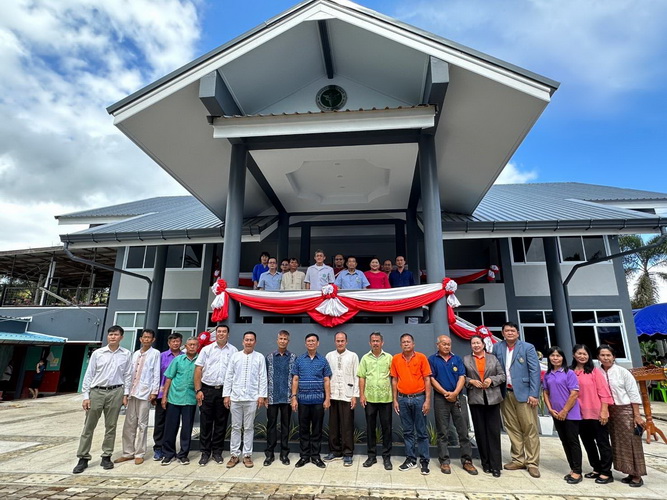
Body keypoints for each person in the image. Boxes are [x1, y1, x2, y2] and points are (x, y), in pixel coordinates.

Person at [73, 325, 133, 474]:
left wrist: (125, 394)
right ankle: (83, 457)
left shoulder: (126, 354)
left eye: (116, 335)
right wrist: (86, 396)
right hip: (97, 392)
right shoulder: (98, 353)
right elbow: (89, 374)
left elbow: (128, 375)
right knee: (88, 426)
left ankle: (107, 455)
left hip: (116, 391)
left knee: (111, 426)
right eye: (111, 334)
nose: (113, 337)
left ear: (121, 337)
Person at [492, 322, 541, 478]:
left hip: (525, 393)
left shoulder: (527, 348)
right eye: (507, 330)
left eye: (513, 330)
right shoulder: (497, 347)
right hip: (505, 393)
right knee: (512, 427)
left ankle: (532, 463)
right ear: (502, 333)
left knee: (529, 427)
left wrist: (534, 394)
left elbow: (535, 371)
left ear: (518, 333)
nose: (510, 333)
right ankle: (518, 459)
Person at [597, 344, 646, 488]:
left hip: (625, 410)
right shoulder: (597, 372)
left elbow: (633, 393)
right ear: (598, 357)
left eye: (608, 355)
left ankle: (637, 474)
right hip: (608, 410)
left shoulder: (623, 372)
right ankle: (628, 471)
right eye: (602, 355)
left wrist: (636, 414)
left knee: (631, 441)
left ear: (614, 357)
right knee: (617, 442)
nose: (606, 358)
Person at [428, 335, 477, 475]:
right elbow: (432, 379)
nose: (447, 346)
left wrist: (455, 393)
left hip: (458, 398)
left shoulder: (457, 359)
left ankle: (467, 461)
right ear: (438, 345)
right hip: (441, 399)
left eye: (449, 344)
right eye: (444, 344)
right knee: (442, 432)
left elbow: (462, 377)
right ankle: (444, 461)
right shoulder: (432, 359)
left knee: (463, 431)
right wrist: (445, 393)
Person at [115, 329, 160, 465]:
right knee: (129, 424)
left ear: (153, 340)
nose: (146, 339)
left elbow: (156, 373)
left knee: (142, 424)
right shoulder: (134, 354)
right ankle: (128, 452)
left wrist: (154, 391)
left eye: (149, 338)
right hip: (132, 393)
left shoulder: (155, 354)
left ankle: (139, 453)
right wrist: (126, 392)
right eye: (144, 337)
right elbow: (128, 374)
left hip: (145, 393)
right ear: (140, 339)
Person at [194, 324, 238, 466]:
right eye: (219, 331)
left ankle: (217, 452)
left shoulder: (233, 351)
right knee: (206, 422)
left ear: (228, 334)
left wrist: (229, 394)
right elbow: (198, 369)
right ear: (215, 334)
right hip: (207, 390)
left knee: (221, 422)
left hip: (224, 391)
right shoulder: (206, 350)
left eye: (224, 332)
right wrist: (198, 390)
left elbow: (234, 373)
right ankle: (205, 453)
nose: (221, 334)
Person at [463, 335, 505, 477]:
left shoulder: (492, 358)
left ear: (483, 344)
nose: (476, 345)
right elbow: (462, 378)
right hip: (476, 398)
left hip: (492, 398)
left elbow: (502, 375)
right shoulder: (466, 359)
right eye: (473, 343)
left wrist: (491, 380)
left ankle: (496, 465)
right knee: (480, 432)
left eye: (478, 343)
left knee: (493, 432)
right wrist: (471, 382)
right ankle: (485, 463)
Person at [223, 331, 267, 468]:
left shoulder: (259, 357)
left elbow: (263, 377)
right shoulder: (235, 357)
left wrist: (261, 395)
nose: (248, 342)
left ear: (255, 342)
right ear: (243, 342)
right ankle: (234, 455)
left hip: (252, 398)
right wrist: (226, 395)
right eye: (246, 340)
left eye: (251, 340)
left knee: (248, 427)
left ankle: (247, 455)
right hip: (235, 398)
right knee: (236, 427)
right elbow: (229, 376)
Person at [571, 344, 613, 484]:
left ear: (589, 356)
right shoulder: (570, 372)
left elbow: (604, 392)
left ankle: (606, 472)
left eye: (585, 354)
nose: (582, 356)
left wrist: (604, 411)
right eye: (579, 353)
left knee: (602, 443)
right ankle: (596, 468)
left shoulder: (594, 372)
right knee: (588, 443)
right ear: (573, 355)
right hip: (579, 414)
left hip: (596, 413)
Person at [391, 333, 431, 475]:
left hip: (419, 398)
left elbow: (427, 379)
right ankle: (410, 459)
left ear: (413, 344)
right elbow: (394, 380)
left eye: (408, 342)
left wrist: (427, 400)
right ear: (401, 345)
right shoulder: (396, 359)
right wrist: (395, 400)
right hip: (402, 399)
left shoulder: (421, 358)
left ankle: (424, 460)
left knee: (421, 432)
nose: (406, 344)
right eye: (403, 342)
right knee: (407, 431)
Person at [542, 346, 583, 484]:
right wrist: (550, 409)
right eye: (552, 356)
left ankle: (577, 471)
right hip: (556, 414)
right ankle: (572, 468)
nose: (555, 358)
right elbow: (546, 393)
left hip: (570, 414)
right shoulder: (547, 375)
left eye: (558, 356)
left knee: (573, 442)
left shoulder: (569, 373)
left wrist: (565, 411)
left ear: (563, 358)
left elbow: (574, 394)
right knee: (564, 441)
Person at [290, 333, 332, 468]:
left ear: (318, 343)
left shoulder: (323, 360)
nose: (311, 343)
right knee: (303, 429)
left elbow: (326, 380)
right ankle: (304, 456)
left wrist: (327, 398)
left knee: (317, 430)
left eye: (313, 341)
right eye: (308, 341)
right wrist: (294, 397)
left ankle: (315, 456)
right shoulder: (299, 360)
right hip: (302, 401)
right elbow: (295, 379)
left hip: (318, 401)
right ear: (305, 343)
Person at [161, 337, 199, 465]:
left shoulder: (201, 361)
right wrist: (164, 396)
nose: (192, 347)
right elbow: (169, 378)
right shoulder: (177, 360)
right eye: (190, 345)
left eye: (194, 345)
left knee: (187, 429)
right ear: (186, 346)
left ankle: (183, 454)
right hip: (174, 398)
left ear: (197, 346)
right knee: (170, 427)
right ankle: (168, 454)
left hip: (190, 399)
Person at [358, 332, 393, 470]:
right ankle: (371, 456)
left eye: (378, 340)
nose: (375, 343)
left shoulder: (389, 358)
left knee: (387, 428)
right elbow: (361, 377)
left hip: (386, 399)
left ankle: (386, 457)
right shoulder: (365, 358)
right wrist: (361, 395)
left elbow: (394, 378)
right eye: (373, 341)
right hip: (370, 398)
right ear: (369, 343)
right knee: (370, 428)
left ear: (382, 342)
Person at [324, 331, 359, 466]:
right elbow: (326, 377)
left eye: (342, 341)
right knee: (333, 425)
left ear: (346, 341)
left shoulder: (353, 356)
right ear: (334, 342)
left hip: (347, 395)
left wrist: (355, 396)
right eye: (337, 341)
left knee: (347, 425)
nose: (340, 343)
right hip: (333, 395)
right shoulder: (329, 356)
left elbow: (357, 376)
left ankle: (348, 453)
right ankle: (335, 451)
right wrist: (327, 396)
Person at [264, 330, 297, 466]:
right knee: (271, 426)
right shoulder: (269, 357)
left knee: (285, 426)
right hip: (272, 397)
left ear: (288, 341)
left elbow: (295, 378)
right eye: (281, 338)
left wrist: (294, 397)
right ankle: (269, 454)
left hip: (287, 398)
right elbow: (263, 378)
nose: (283, 341)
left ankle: (284, 454)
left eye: (285, 339)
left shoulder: (293, 357)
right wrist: (265, 396)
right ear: (277, 340)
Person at [153, 333, 183, 461]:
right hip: (162, 394)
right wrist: (154, 393)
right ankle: (158, 448)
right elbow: (156, 375)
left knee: (173, 423)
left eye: (177, 341)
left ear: (181, 343)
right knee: (160, 422)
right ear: (168, 343)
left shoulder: (184, 357)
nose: (175, 343)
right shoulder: (162, 356)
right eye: (173, 341)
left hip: (178, 395)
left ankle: (170, 448)